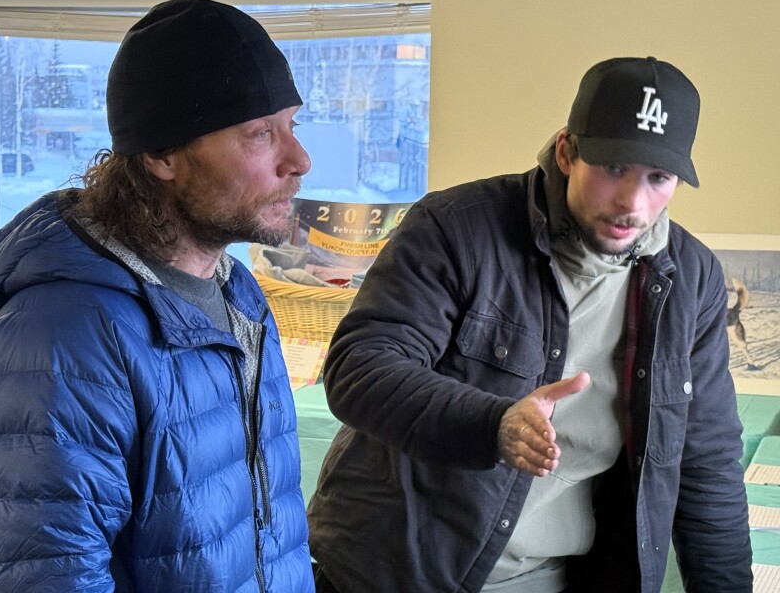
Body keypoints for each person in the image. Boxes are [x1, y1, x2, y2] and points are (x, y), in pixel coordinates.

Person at [307, 57, 753, 592]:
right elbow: (360, 367)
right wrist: (492, 424)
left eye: (658, 178)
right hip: (398, 572)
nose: (633, 203)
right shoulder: (456, 227)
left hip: (554, 578)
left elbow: (708, 462)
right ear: (566, 151)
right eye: (613, 167)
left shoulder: (692, 279)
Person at [0, 0, 315, 592]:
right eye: (261, 134)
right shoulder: (66, 329)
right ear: (161, 155)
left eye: (292, 126)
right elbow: (48, 577)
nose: (300, 160)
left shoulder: (237, 291)